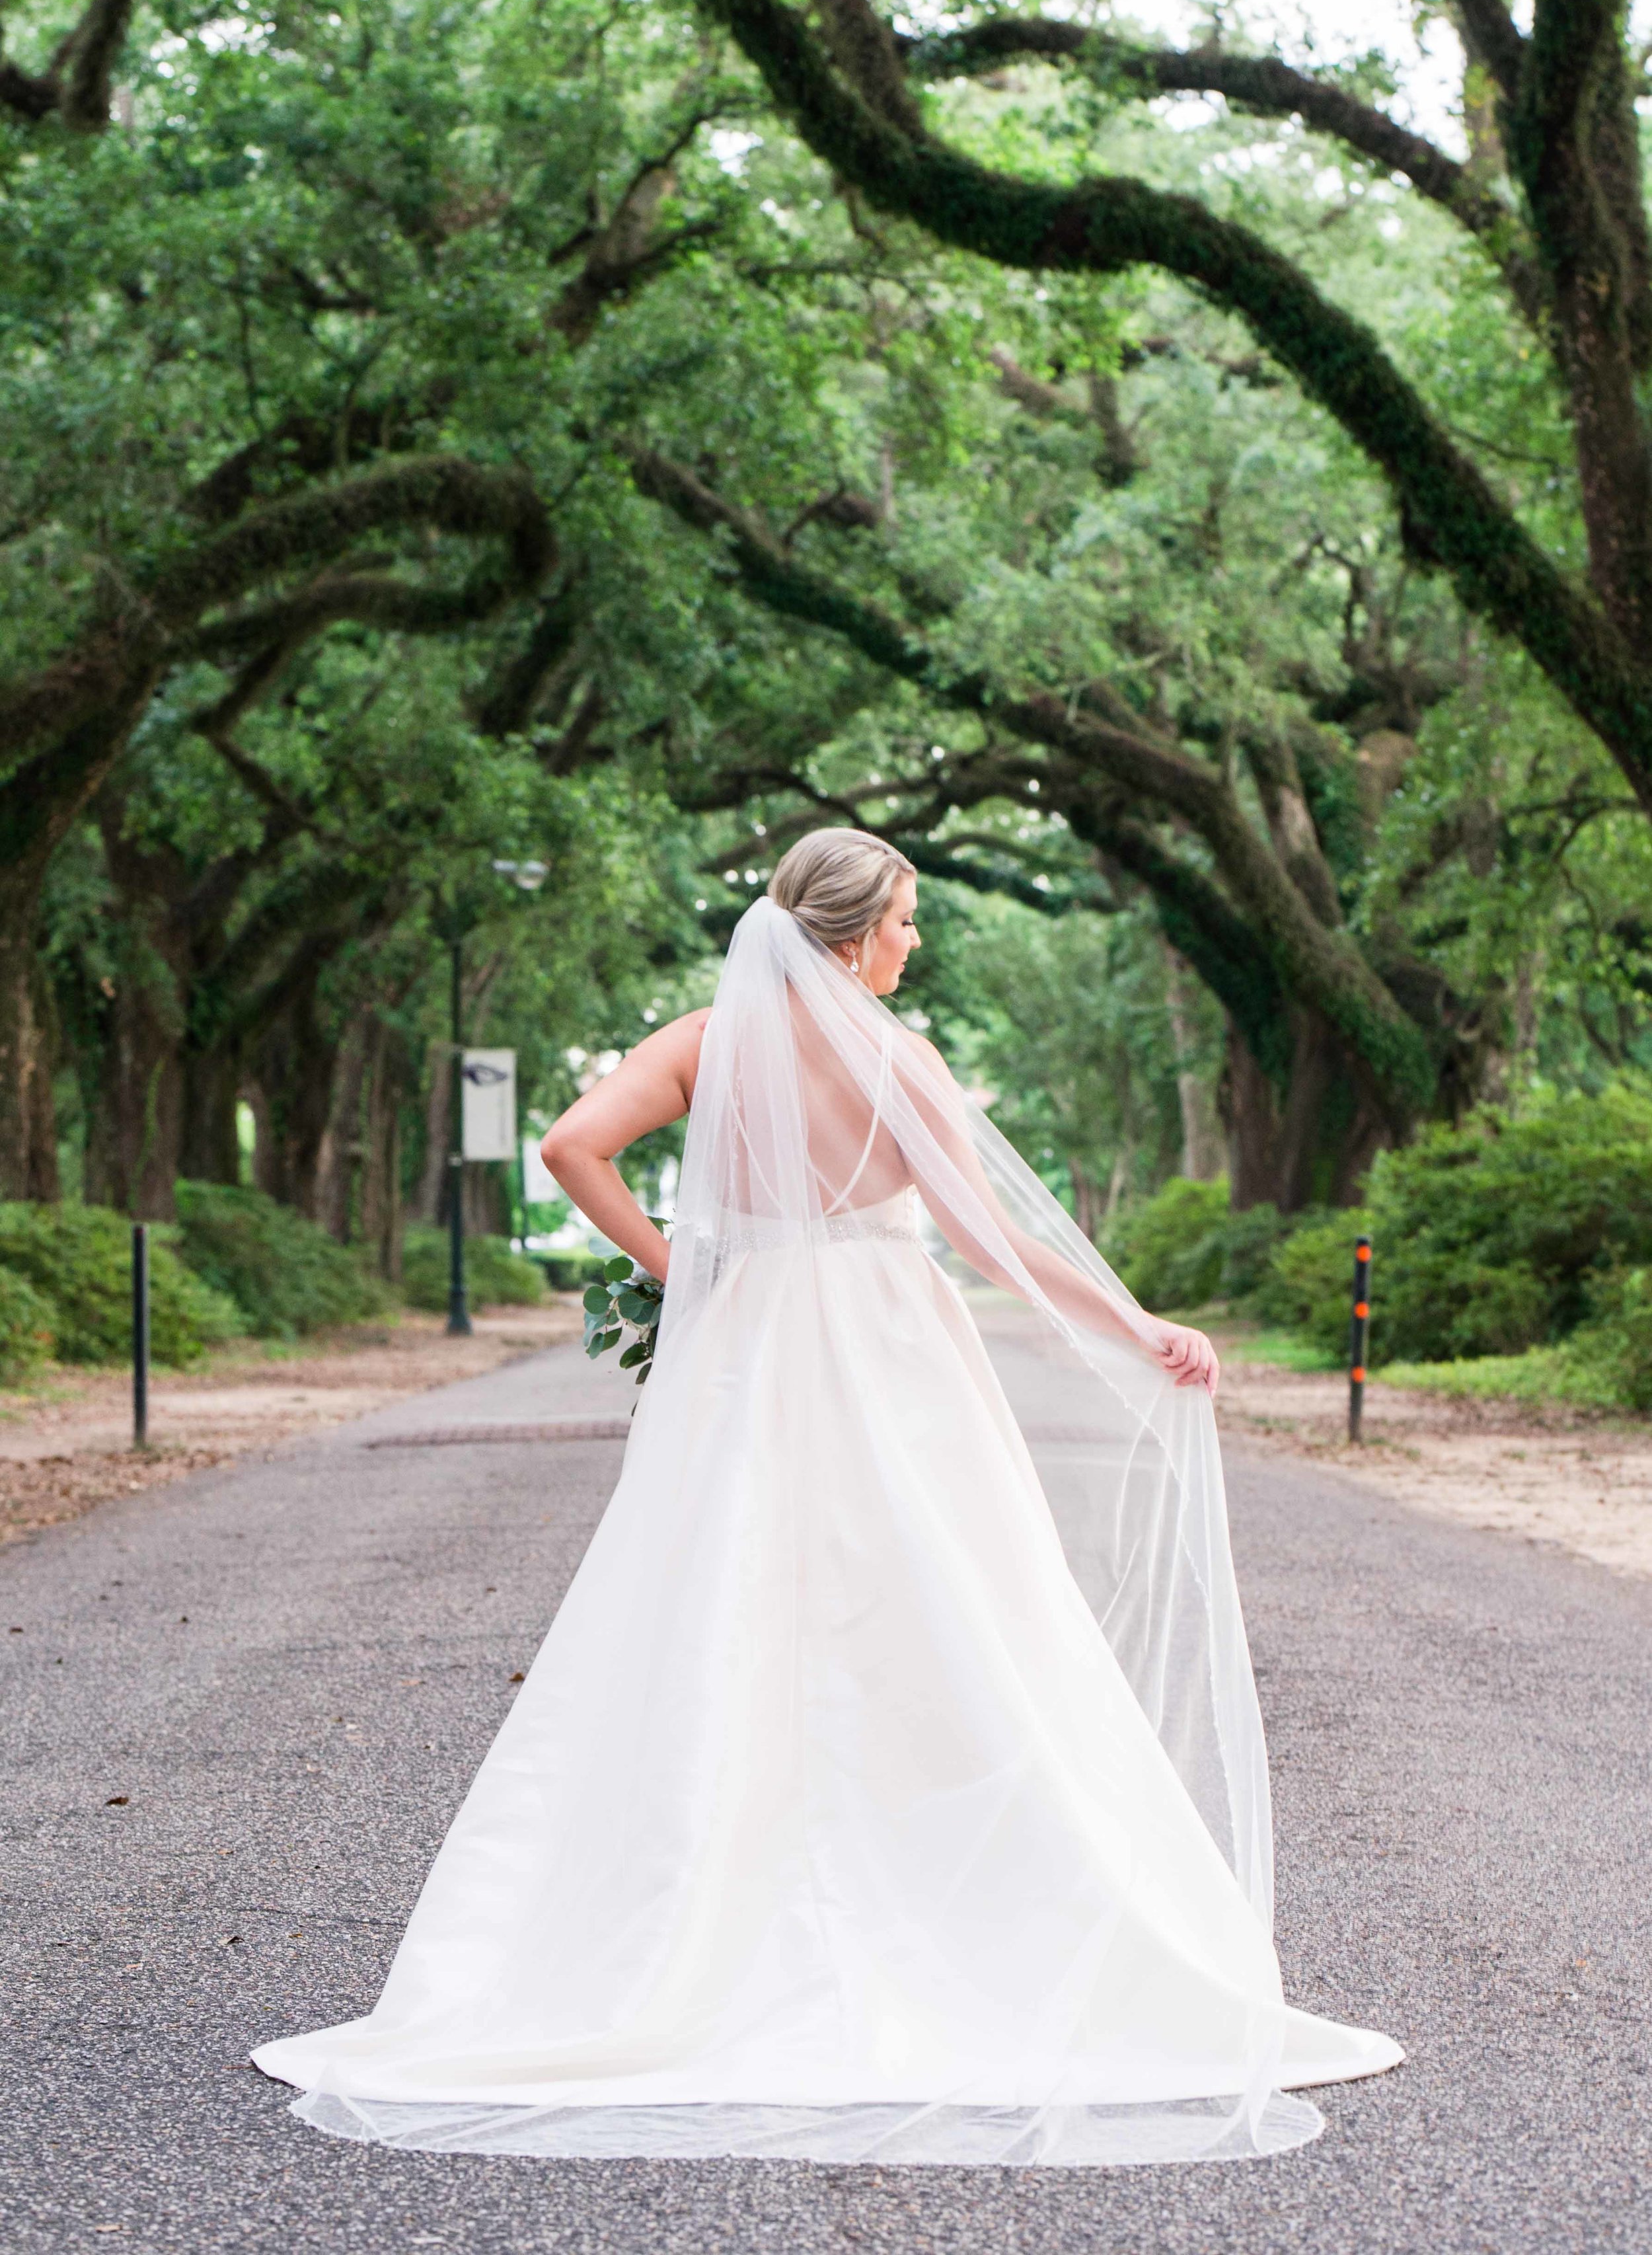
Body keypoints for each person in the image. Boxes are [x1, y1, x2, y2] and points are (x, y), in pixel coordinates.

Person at [254, 829, 1402, 2164]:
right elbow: (992, 1240)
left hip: (745, 1347)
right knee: (948, 1605)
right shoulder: (897, 1059)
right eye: (907, 921)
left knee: (711, 1604)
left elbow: (573, 1147)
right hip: (890, 1351)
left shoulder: (703, 1040)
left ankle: (671, 1919)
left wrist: (675, 1262)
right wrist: (1134, 1322)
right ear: (854, 937)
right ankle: (956, 1904)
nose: (915, 943)